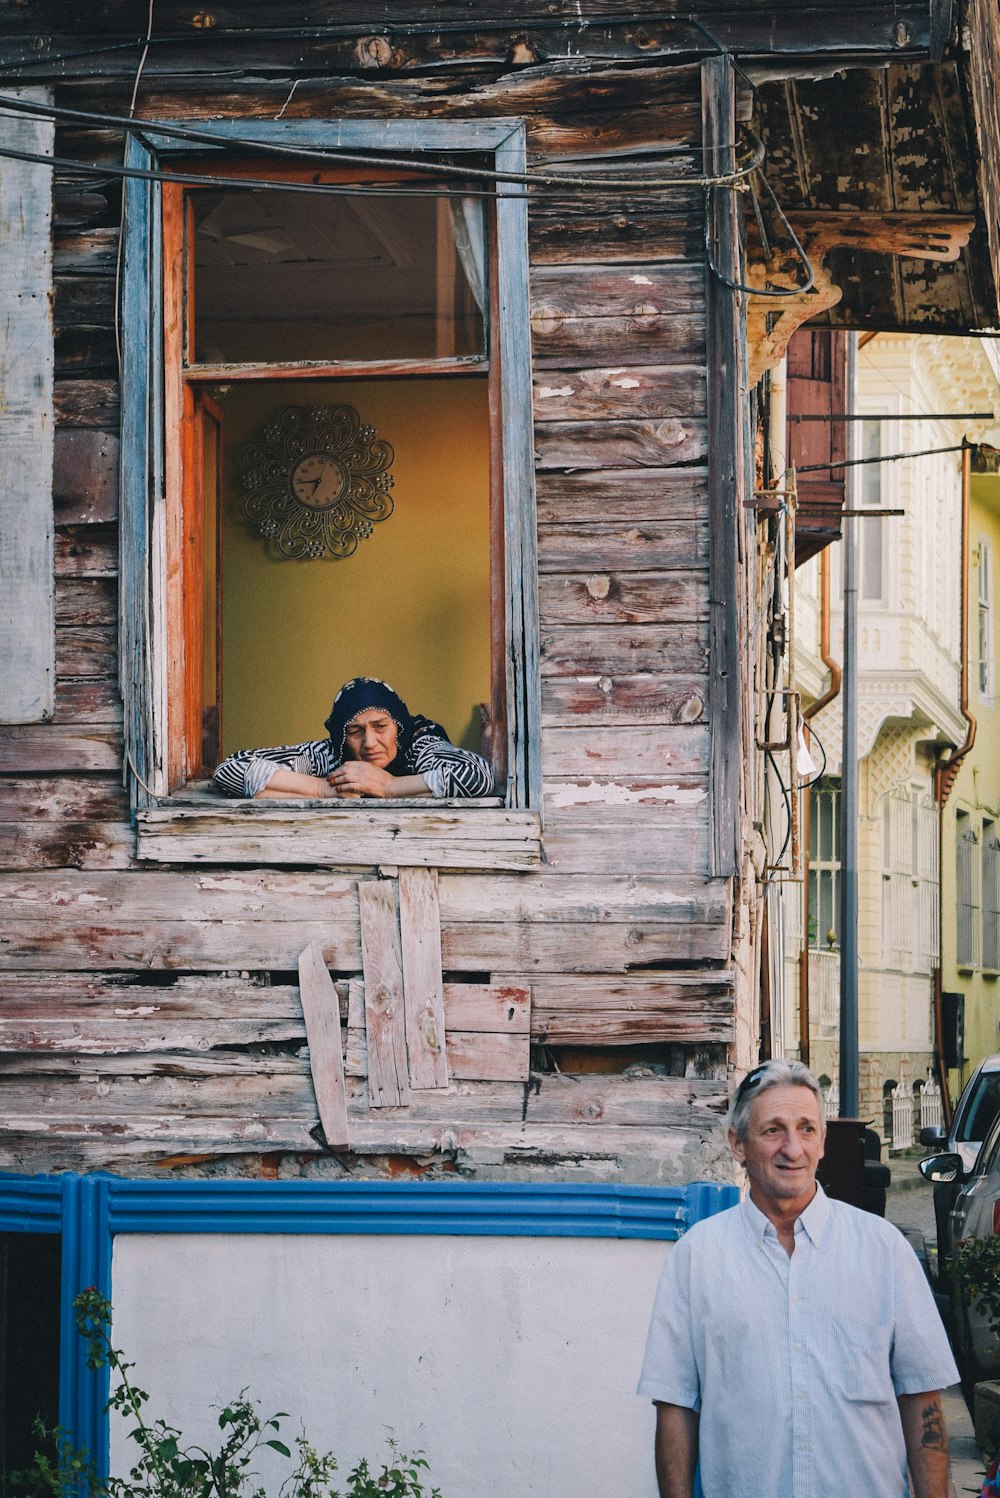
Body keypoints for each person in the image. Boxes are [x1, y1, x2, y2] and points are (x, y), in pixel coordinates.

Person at [637, 1059, 959, 1498]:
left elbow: (923, 1400)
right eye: (773, 1130)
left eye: (807, 1129)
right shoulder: (698, 1256)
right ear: (737, 1143)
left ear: (822, 1141)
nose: (793, 1148)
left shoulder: (883, 1250)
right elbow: (675, 1405)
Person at [212, 676, 494, 801]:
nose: (369, 743)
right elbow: (230, 771)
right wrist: (323, 790)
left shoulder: (419, 743)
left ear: (399, 727)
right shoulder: (332, 754)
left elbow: (478, 776)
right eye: (355, 731)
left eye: (380, 726)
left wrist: (390, 786)